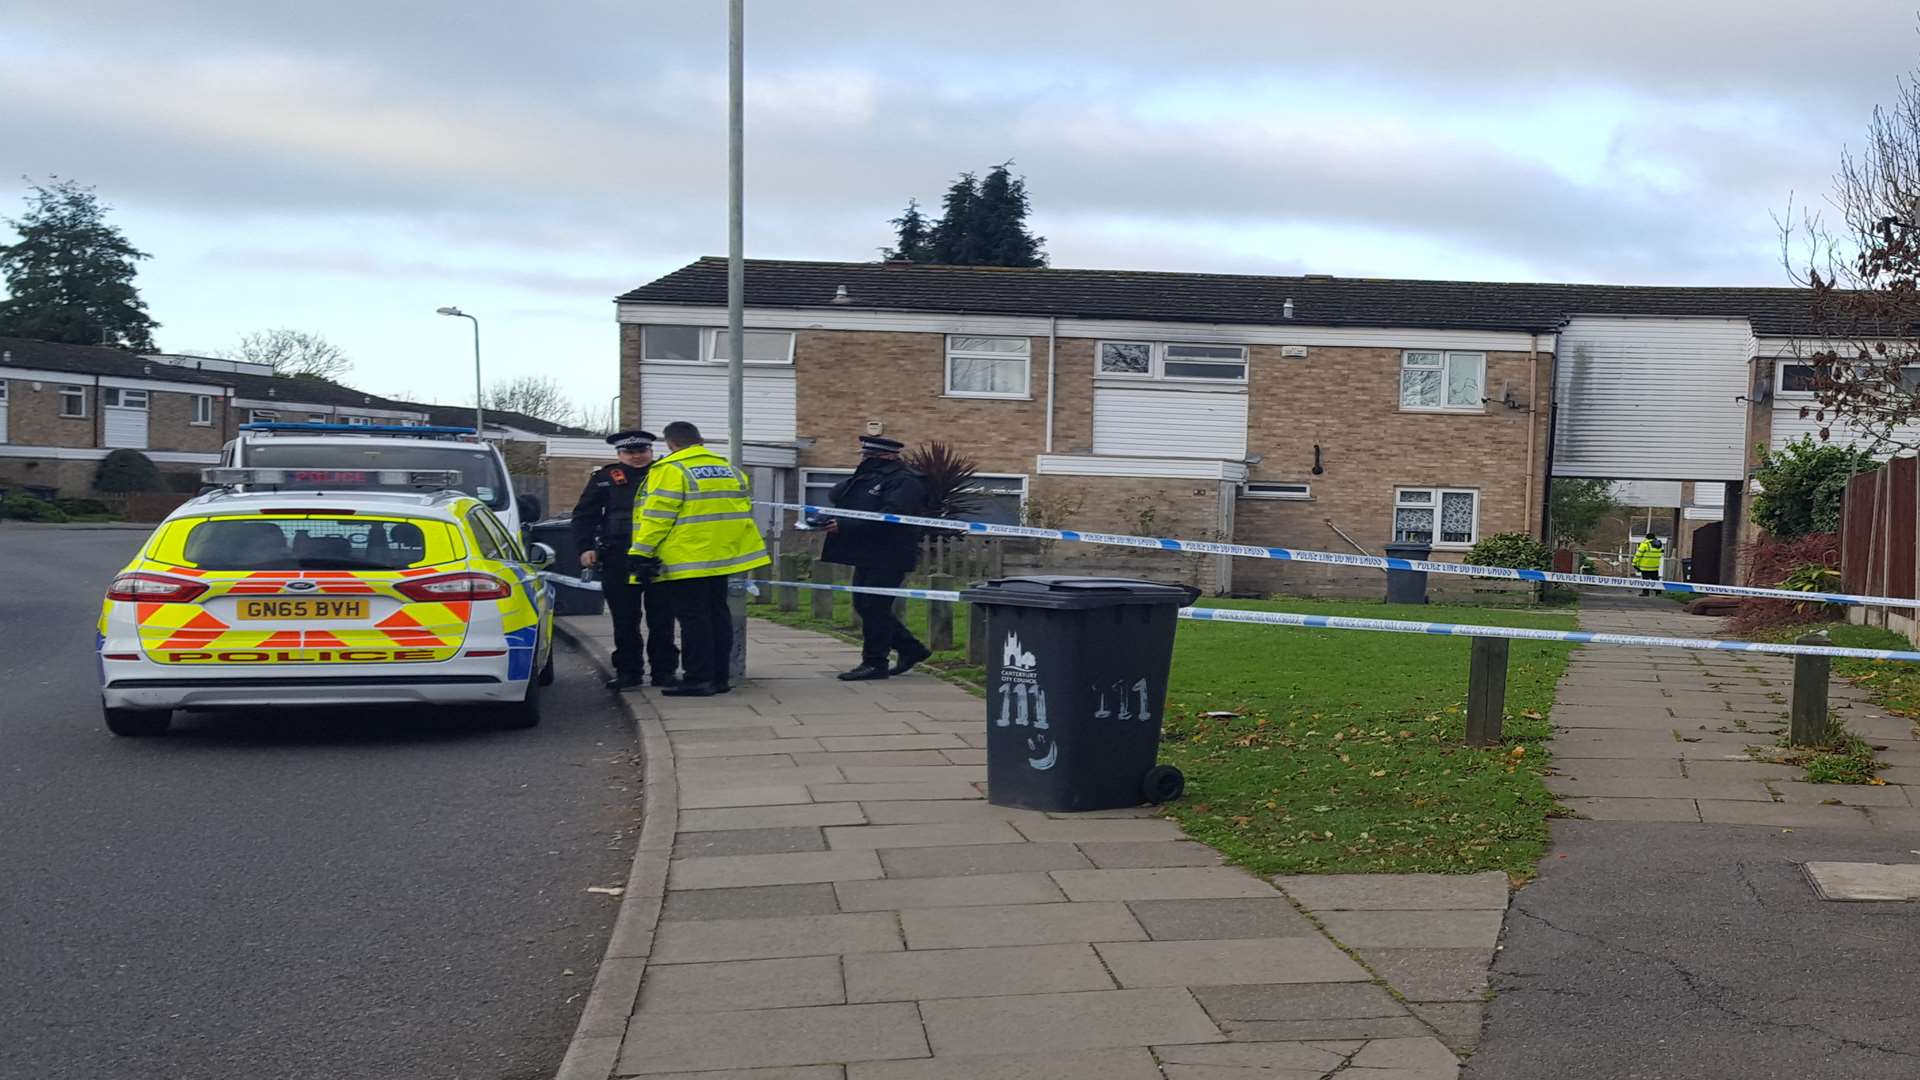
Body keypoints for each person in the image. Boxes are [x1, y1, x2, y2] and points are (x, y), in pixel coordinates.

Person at [628, 421, 770, 698]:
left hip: (687, 557)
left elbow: (658, 516)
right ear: (700, 440)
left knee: (694, 620)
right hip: (724, 556)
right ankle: (720, 678)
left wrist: (641, 552)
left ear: (670, 444)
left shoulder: (671, 469)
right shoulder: (729, 470)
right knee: (718, 615)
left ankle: (697, 678)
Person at [570, 431, 678, 689]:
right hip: (618, 557)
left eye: (642, 451)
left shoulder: (666, 474)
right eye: (630, 452)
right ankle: (629, 673)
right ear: (619, 455)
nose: (637, 457)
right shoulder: (605, 479)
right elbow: (585, 515)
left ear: (651, 452)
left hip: (659, 556)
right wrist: (585, 547)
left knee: (662, 619)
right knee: (625, 619)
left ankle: (664, 672)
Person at [820, 434, 933, 681]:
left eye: (870, 457)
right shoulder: (870, 477)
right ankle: (910, 649)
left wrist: (846, 526)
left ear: (888, 456)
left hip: (890, 554)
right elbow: (837, 495)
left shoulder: (904, 481)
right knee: (864, 604)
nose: (865, 460)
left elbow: (892, 516)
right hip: (868, 552)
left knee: (875, 606)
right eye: (864, 456)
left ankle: (875, 662)